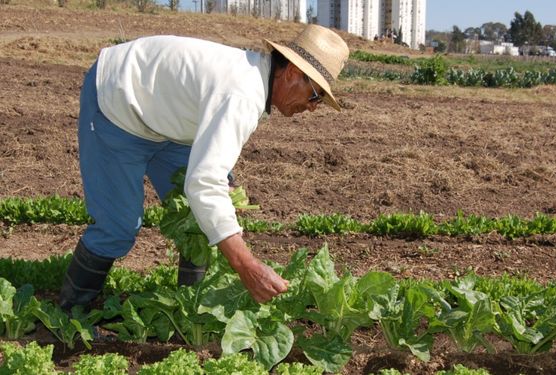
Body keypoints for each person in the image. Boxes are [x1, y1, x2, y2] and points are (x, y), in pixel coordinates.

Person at [59, 24, 350, 310]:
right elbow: (204, 182)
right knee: (119, 225)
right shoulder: (242, 95)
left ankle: (191, 308)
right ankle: (70, 315)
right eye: (315, 95)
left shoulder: (251, 81)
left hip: (163, 118)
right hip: (118, 101)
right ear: (292, 73)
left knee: (198, 216)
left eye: (320, 100)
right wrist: (246, 265)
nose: (313, 107)